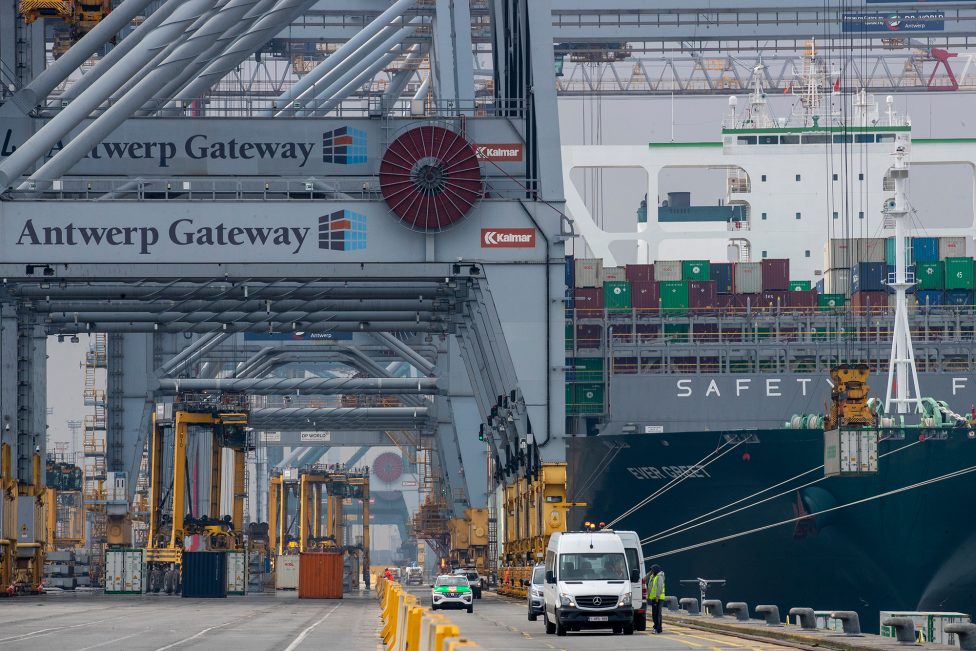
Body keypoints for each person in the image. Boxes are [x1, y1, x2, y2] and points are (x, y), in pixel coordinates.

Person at [648, 564, 666, 633]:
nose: (651, 572)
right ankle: (658, 628)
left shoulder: (659, 577)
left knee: (657, 613)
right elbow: (650, 587)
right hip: (654, 597)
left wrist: (657, 597)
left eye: (652, 570)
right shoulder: (653, 576)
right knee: (654, 613)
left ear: (655, 570)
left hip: (658, 598)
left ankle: (657, 628)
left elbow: (659, 587)